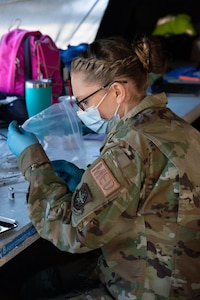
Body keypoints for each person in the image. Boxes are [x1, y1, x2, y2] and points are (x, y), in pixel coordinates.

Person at [7, 35, 200, 299]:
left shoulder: (128, 147)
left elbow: (72, 232)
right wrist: (85, 179)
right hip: (174, 272)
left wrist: (32, 159)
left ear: (118, 91)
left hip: (148, 287)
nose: (82, 111)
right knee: (39, 283)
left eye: (83, 101)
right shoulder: (172, 125)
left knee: (28, 289)